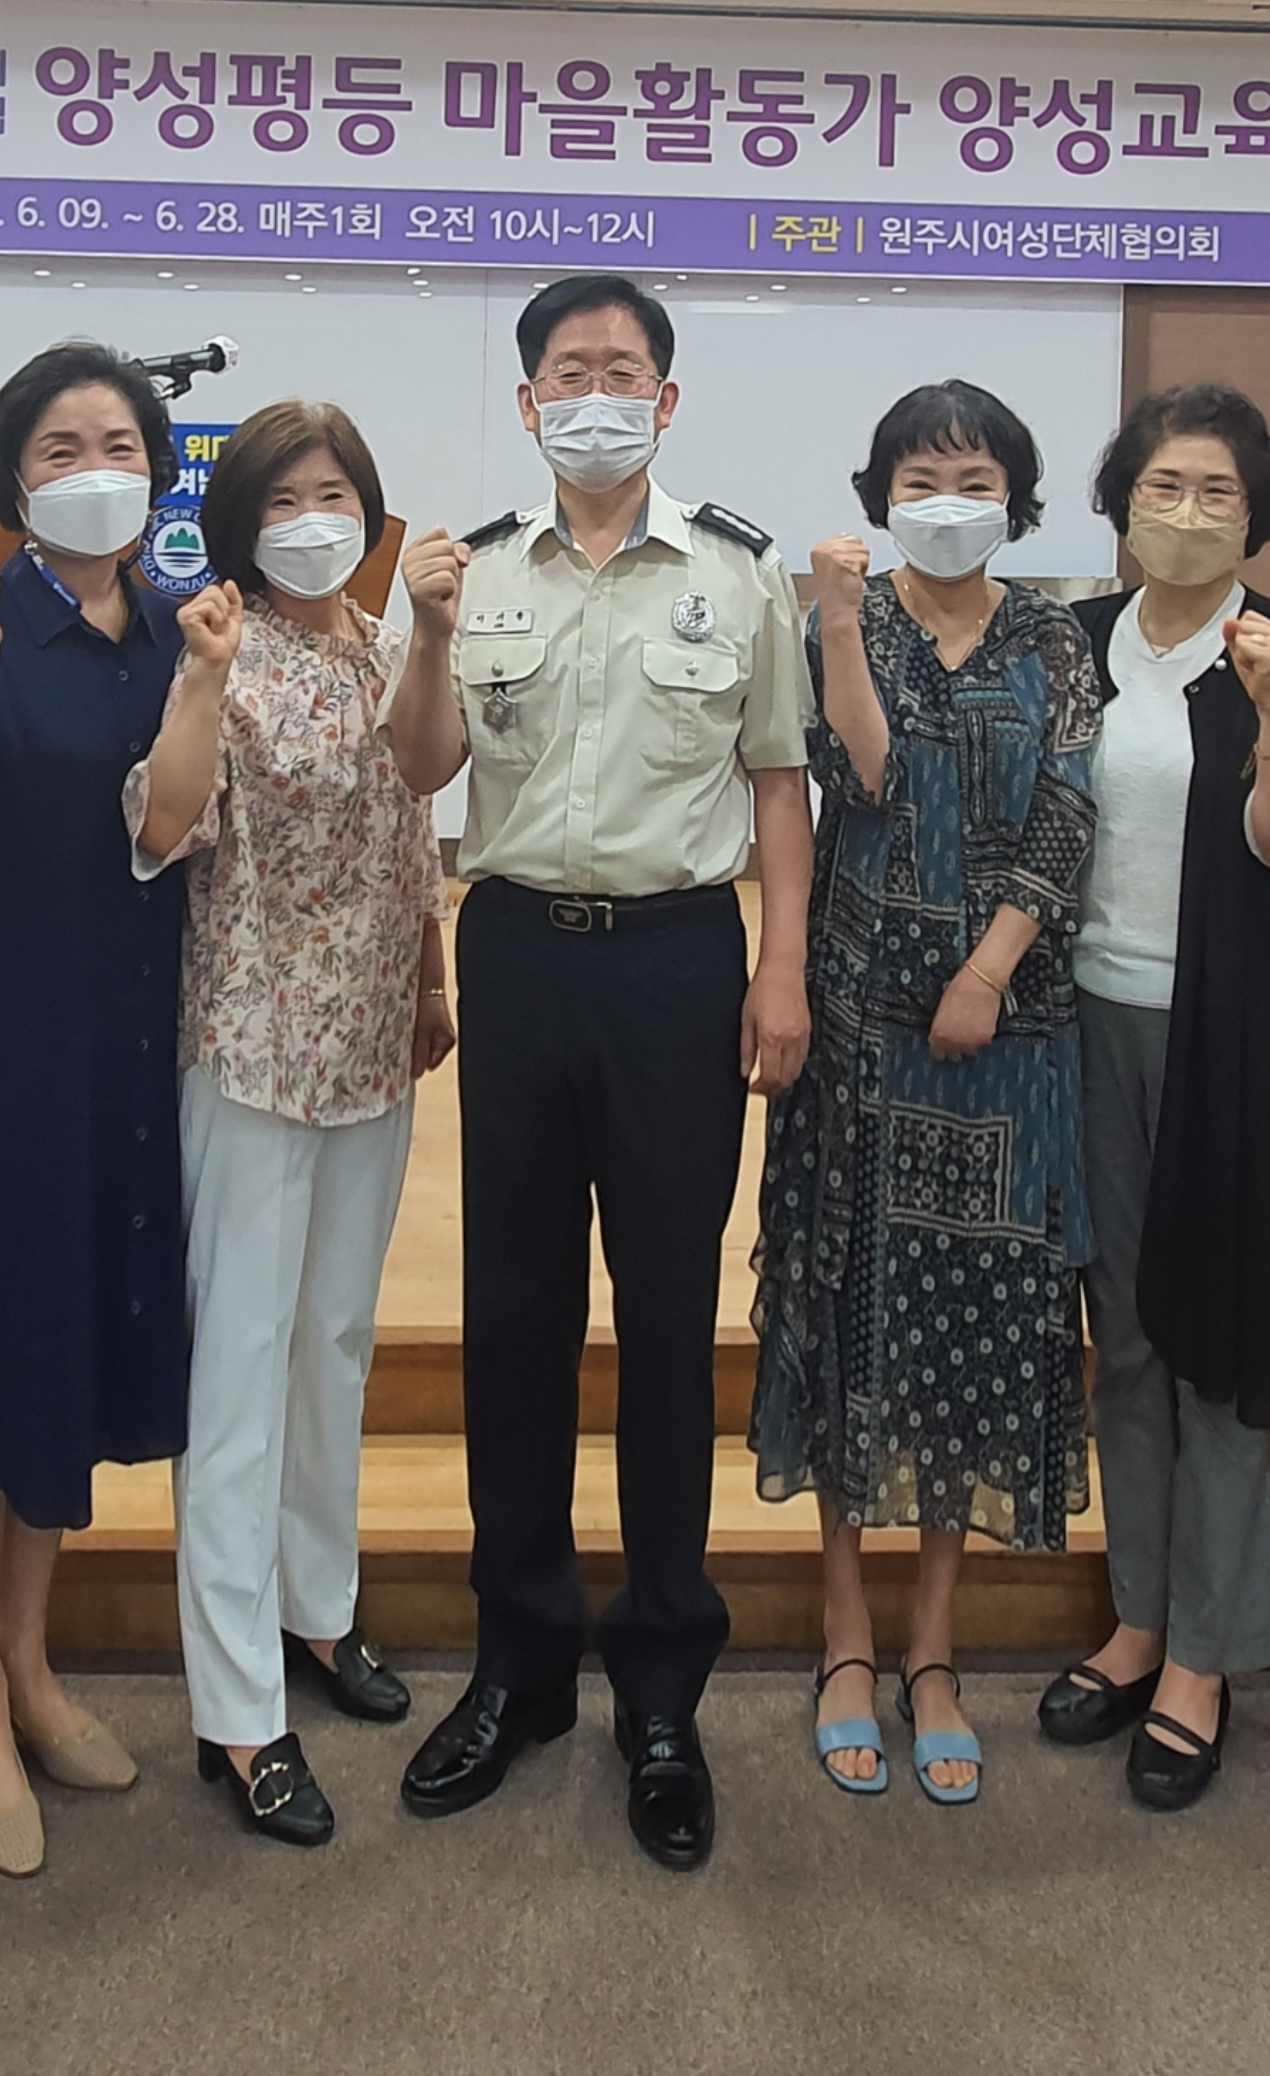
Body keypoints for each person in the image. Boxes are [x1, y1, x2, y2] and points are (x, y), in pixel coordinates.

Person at [386, 271, 814, 1874]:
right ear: (527, 402)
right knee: (512, 1316)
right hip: (516, 951)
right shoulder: (473, 572)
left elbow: (778, 782)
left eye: (623, 371)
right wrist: (427, 631)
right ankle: (519, 1660)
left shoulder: (741, 573)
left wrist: (779, 967)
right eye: (568, 372)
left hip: (676, 962)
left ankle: (661, 1686)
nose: (596, 396)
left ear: (667, 400)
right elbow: (420, 765)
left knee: (665, 1321)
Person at [753, 380, 1100, 1810]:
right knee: (849, 1315)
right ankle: (846, 1635)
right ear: (879, 494)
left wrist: (990, 970)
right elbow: (865, 777)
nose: (945, 501)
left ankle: (935, 1649)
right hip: (856, 1021)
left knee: (976, 1320)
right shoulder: (843, 619)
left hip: (1007, 1030)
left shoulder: (1053, 637)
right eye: (918, 478)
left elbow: (1067, 813)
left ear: (1015, 497)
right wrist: (839, 623)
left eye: (972, 479)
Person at [0, 341, 192, 1878]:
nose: (93, 471)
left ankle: (28, 1661)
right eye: (61, 449)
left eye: (119, 445)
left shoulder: (175, 637)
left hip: (131, 1049)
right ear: (12, 478)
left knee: (66, 1344)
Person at [1033, 382, 1270, 1812]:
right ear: (1121, 500)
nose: (1185, 512)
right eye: (1162, 486)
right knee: (1122, 1336)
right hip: (1085, 1020)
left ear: (1257, 511)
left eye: (1216, 491)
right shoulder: (1077, 639)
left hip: (1230, 1036)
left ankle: (1206, 1656)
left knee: (1217, 1346)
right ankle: (1138, 1614)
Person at [129, 399, 451, 1849]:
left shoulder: (386, 643)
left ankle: (319, 1609)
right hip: (252, 1051)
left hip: (373, 1046)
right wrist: (201, 681)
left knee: (334, 1345)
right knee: (243, 1375)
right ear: (237, 523)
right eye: (283, 500)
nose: (313, 521)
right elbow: (163, 828)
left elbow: (417, 819)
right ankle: (236, 1703)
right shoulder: (217, 646)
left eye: (335, 495)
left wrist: (432, 974)